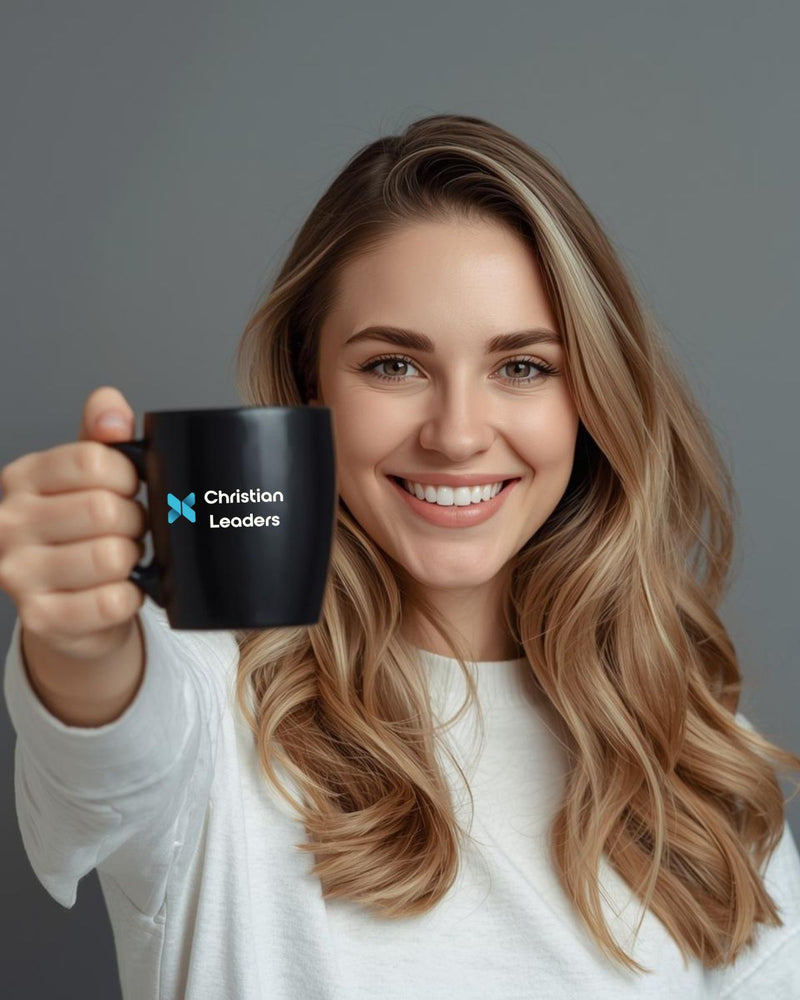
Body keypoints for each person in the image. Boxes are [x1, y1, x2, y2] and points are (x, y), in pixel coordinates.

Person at [2, 113, 799, 999]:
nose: (457, 435)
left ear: (591, 398)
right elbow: (105, 723)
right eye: (393, 366)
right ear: (312, 386)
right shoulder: (205, 691)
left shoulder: (696, 757)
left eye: (523, 368)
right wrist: (77, 637)